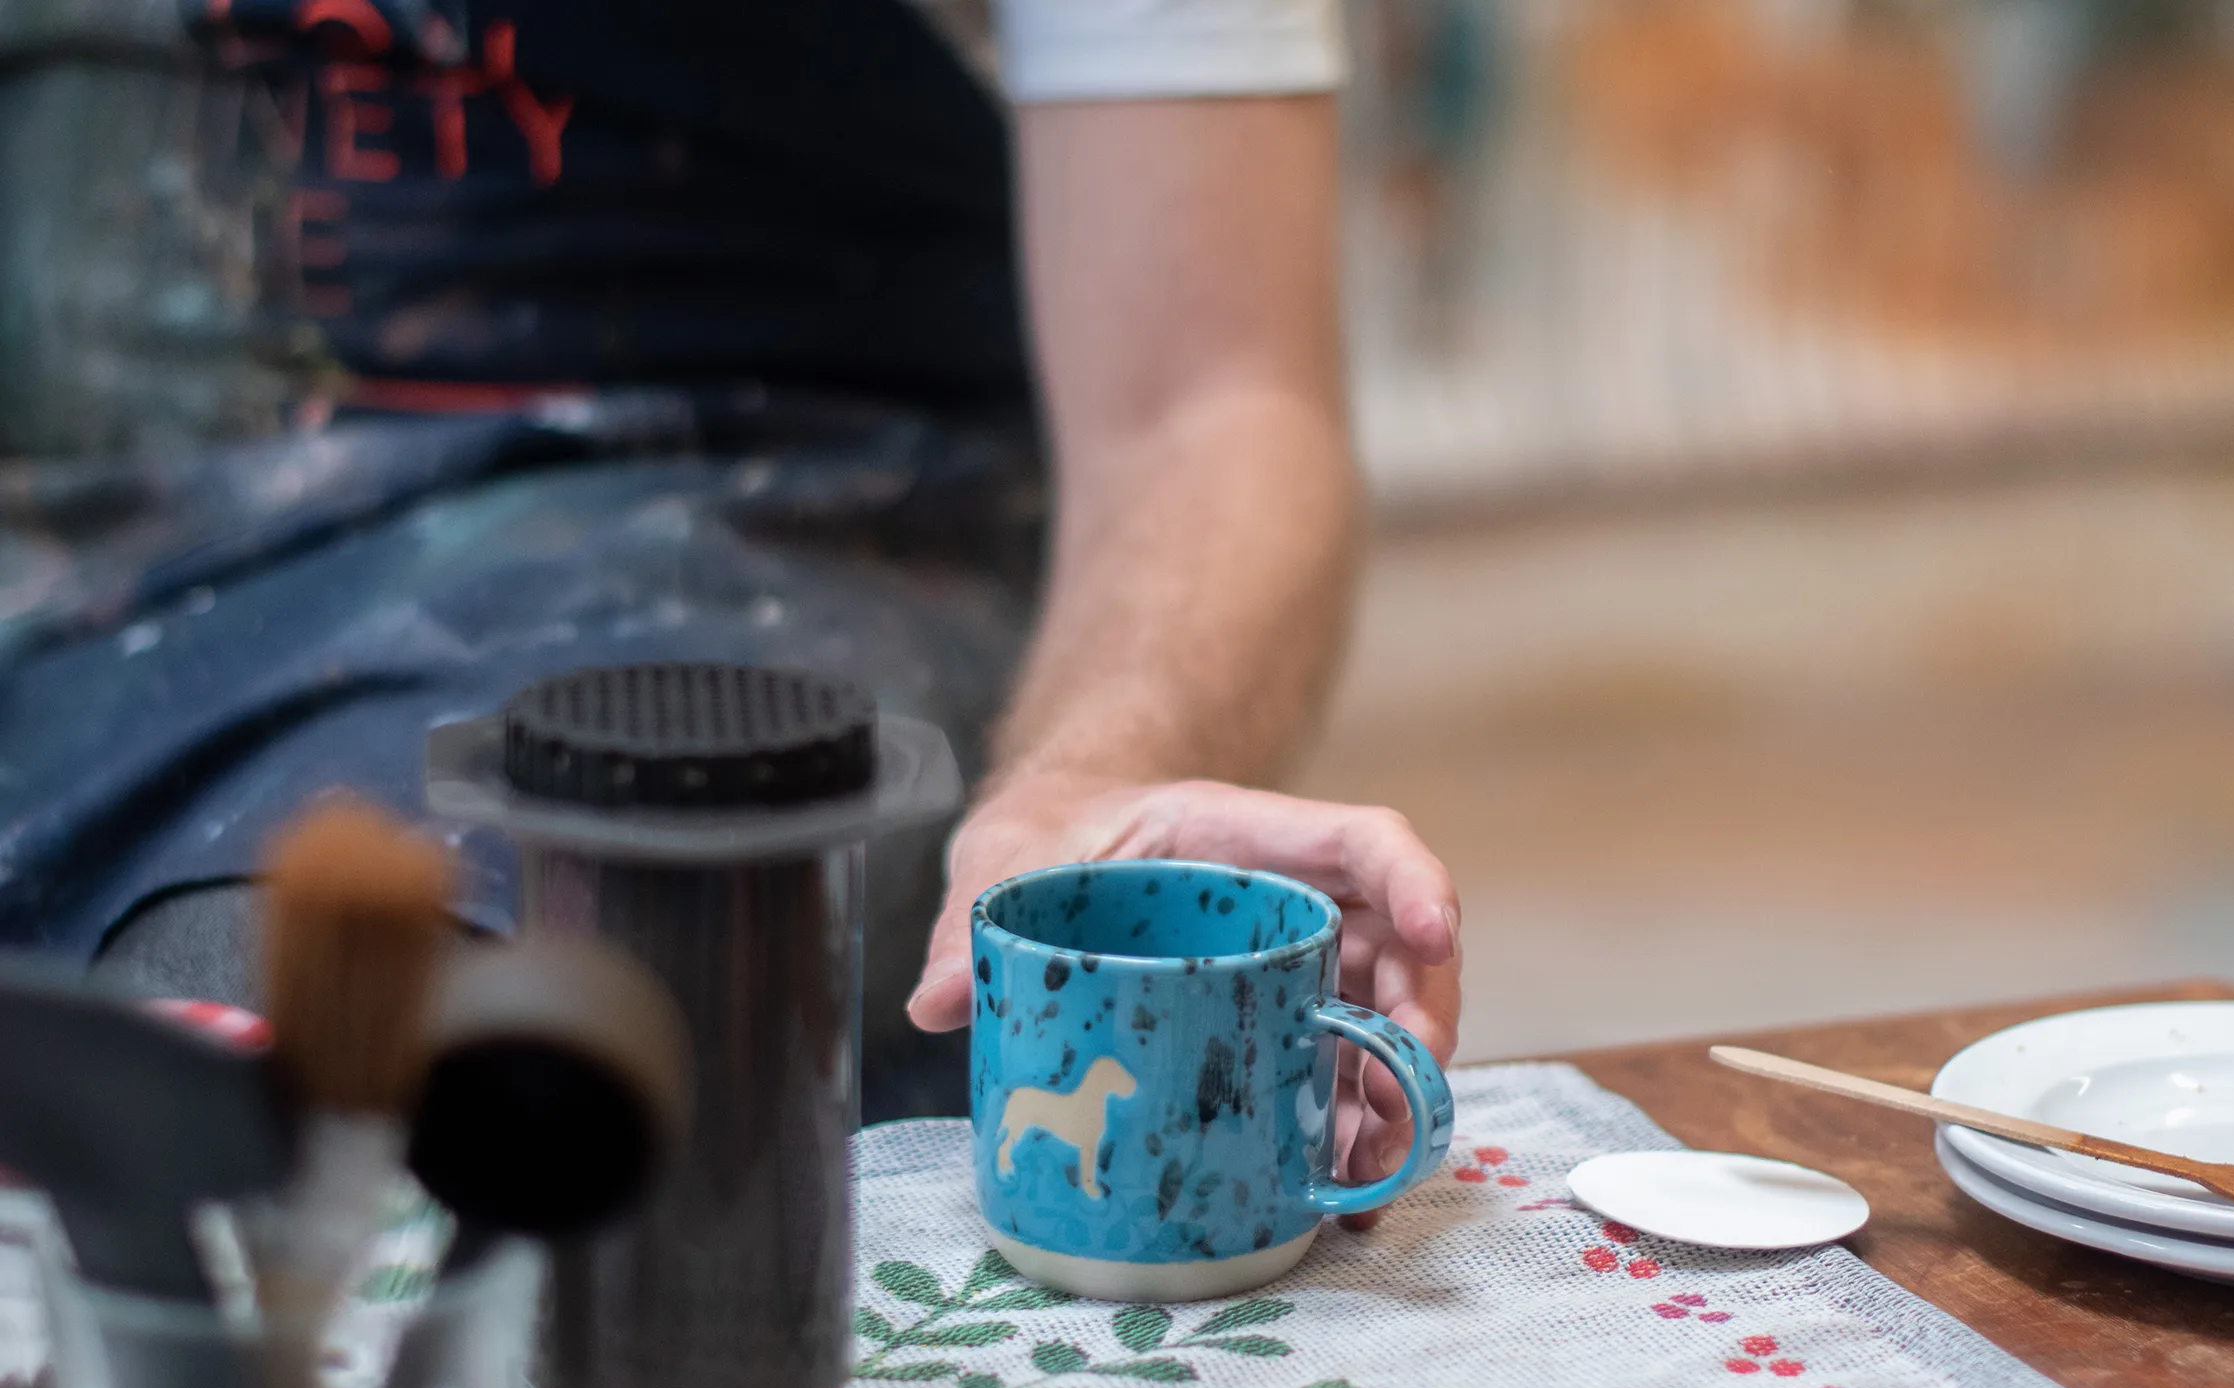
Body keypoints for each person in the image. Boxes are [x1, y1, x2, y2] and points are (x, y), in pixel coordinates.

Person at [0, 0, 1459, 1203]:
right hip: (72, 553)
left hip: (754, 533)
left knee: (299, 1075)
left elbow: (1209, 403)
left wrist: (1084, 776)